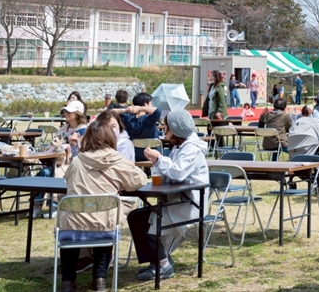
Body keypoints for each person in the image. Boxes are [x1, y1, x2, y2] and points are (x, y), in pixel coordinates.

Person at [58, 119, 149, 292]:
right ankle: (100, 279)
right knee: (104, 219)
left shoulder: (78, 161)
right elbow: (139, 180)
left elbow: (67, 180)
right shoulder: (116, 160)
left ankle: (68, 281)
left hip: (73, 225)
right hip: (104, 225)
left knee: (77, 224)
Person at [131, 110, 210, 282]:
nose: (163, 131)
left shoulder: (192, 149)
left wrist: (159, 159)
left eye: (166, 127)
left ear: (175, 129)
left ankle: (162, 263)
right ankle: (158, 259)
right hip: (177, 199)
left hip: (190, 204)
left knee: (148, 219)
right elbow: (169, 175)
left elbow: (178, 173)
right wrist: (156, 163)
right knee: (137, 217)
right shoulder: (179, 147)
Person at [120, 93, 161, 161]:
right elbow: (158, 111)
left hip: (133, 155)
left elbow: (109, 112)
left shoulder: (128, 119)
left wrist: (125, 110)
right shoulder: (148, 119)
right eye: (150, 104)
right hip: (152, 155)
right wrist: (141, 108)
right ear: (146, 104)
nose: (151, 106)